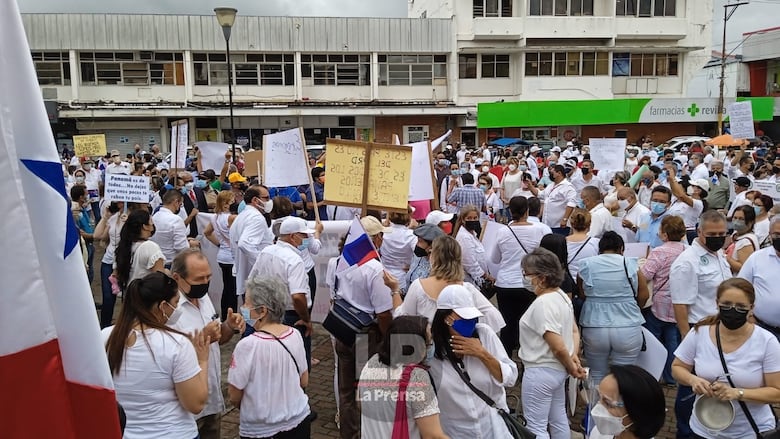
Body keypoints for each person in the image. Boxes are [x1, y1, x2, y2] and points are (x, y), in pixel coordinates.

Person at [102, 272, 210, 439]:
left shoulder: (105, 337)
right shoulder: (176, 344)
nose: (178, 309)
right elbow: (196, 403)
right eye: (176, 303)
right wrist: (202, 360)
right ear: (162, 306)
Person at [672, 278, 780, 439]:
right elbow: (677, 367)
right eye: (727, 304)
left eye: (741, 307)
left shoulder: (767, 342)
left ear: (751, 308)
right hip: (704, 427)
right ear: (717, 303)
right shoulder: (700, 333)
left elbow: (777, 392)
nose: (733, 310)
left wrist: (738, 393)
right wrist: (692, 380)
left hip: (749, 432)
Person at [332, 216, 397, 439]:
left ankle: (349, 433)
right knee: (367, 389)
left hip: (343, 328)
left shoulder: (341, 261)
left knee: (346, 390)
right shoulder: (374, 268)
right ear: (375, 239)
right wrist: (387, 339)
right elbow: (384, 313)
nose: (382, 240)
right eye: (380, 236)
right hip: (364, 334)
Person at [170, 249, 245, 439]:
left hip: (211, 400)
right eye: (199, 279)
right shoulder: (168, 310)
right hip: (185, 409)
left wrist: (229, 326)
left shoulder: (203, 298)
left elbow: (217, 340)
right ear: (177, 278)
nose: (205, 283)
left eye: (208, 277)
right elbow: (168, 356)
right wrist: (204, 336)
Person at [669, 210, 731, 439]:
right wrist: (688, 339)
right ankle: (685, 432)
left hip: (720, 330)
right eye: (712, 235)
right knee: (690, 386)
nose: (717, 238)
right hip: (698, 330)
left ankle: (708, 426)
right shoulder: (687, 261)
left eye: (722, 234)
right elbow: (680, 304)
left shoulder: (718, 254)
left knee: (710, 381)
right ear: (699, 232)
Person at [428, 285, 518, 438]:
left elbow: (510, 378)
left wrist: (482, 354)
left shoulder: (484, 334)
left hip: (493, 428)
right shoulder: (432, 351)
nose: (470, 322)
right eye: (464, 318)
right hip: (457, 432)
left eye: (472, 317)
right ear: (446, 318)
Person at [228, 276, 312, 438]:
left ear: (263, 311)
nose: (243, 308)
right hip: (299, 420)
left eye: (246, 303)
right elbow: (304, 381)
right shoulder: (295, 334)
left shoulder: (247, 345)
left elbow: (234, 396)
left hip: (261, 430)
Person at [518, 248, 586, 438]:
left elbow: (556, 345)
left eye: (527, 274)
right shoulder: (561, 296)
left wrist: (571, 364)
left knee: (536, 426)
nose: (525, 278)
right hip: (558, 371)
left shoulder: (543, 303)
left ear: (541, 278)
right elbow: (573, 330)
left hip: (540, 370)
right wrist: (573, 357)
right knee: (558, 418)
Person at [358, 315, 449, 439]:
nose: (431, 346)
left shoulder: (373, 362)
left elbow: (360, 403)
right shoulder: (417, 378)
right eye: (428, 343)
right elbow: (433, 435)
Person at [577, 232, 649, 385]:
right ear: (621, 248)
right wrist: (634, 307)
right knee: (624, 377)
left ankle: (596, 400)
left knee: (596, 374)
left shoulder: (586, 265)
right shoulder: (630, 264)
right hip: (628, 326)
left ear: (600, 249)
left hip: (594, 325)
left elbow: (582, 294)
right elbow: (644, 295)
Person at [394, 235, 505, 333]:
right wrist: (470, 329)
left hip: (427, 347)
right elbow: (494, 317)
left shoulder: (418, 286)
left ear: (435, 257)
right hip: (458, 347)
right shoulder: (467, 289)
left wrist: (394, 291)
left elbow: (402, 319)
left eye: (431, 253)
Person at [249, 217, 314, 371]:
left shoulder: (266, 251)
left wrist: (251, 315)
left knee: (272, 362)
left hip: (267, 314)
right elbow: (297, 296)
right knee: (297, 365)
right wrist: (306, 319)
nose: (307, 238)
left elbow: (251, 282)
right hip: (291, 317)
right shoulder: (294, 260)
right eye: (304, 235)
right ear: (292, 236)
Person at [490, 196, 547, 354]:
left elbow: (494, 259)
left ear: (510, 211)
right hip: (529, 284)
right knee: (529, 325)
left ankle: (506, 358)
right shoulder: (539, 230)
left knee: (507, 324)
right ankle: (527, 356)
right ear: (527, 211)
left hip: (505, 283)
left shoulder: (502, 232)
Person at [640, 215, 687, 385]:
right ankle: (671, 376)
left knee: (653, 339)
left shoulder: (659, 252)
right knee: (672, 340)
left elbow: (645, 275)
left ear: (665, 234)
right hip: (679, 304)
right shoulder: (687, 251)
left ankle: (651, 373)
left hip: (659, 304)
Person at [588, 365, 666, 439]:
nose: (597, 408)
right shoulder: (598, 434)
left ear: (636, 414)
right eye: (599, 397)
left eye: (608, 404)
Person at [229, 185, 275, 302]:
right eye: (266, 198)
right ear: (255, 200)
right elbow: (244, 244)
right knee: (259, 311)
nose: (269, 201)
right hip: (257, 279)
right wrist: (263, 263)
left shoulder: (242, 216)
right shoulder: (256, 218)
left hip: (247, 277)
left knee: (250, 310)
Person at [738, 215, 780, 339]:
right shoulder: (757, 258)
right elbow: (740, 288)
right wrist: (748, 315)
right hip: (763, 329)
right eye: (777, 234)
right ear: (769, 234)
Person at [203, 190, 238, 320]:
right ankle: (232, 317)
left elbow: (207, 232)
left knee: (227, 288)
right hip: (232, 258)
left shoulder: (215, 217)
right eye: (232, 201)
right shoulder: (231, 218)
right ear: (225, 203)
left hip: (222, 256)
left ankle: (224, 316)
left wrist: (219, 244)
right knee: (233, 291)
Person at [114, 209, 165, 293]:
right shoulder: (150, 247)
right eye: (151, 221)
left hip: (130, 295)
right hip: (145, 296)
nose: (153, 224)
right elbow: (160, 279)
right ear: (145, 226)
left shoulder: (125, 246)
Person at [152, 190, 199, 267]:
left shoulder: (155, 217)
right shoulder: (176, 220)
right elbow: (181, 248)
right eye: (180, 204)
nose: (180, 207)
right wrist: (191, 244)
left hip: (157, 261)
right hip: (171, 263)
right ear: (176, 202)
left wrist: (186, 240)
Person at [454, 205, 492, 287]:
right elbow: (470, 263)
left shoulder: (472, 234)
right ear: (463, 220)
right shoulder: (464, 237)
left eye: (475, 218)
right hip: (472, 282)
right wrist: (486, 276)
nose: (473, 220)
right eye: (469, 218)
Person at [403, 223, 445, 292]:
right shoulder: (417, 256)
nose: (417, 244)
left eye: (420, 241)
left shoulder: (438, 266)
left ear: (432, 246)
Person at [380, 209, 417, 285]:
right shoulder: (411, 235)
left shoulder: (383, 232)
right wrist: (413, 266)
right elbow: (420, 255)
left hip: (384, 275)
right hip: (402, 278)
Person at [538, 164, 577, 229]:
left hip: (559, 225)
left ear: (559, 173)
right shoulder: (551, 185)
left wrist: (565, 219)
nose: (550, 175)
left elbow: (571, 203)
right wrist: (530, 186)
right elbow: (540, 194)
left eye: (552, 173)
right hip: (547, 223)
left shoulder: (568, 186)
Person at [565, 209, 599, 282]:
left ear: (571, 224)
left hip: (567, 283)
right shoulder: (596, 243)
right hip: (588, 283)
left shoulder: (562, 242)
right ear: (589, 224)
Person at [725, 205, 759, 274]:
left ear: (750, 222)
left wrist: (725, 257)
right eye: (735, 218)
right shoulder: (736, 234)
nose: (736, 221)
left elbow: (743, 267)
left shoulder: (746, 242)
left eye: (741, 219)